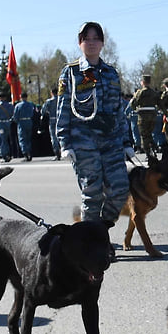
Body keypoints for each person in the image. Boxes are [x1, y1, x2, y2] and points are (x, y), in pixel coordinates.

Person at [54, 21, 133, 225]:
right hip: (84, 143)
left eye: (95, 38)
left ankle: (100, 231)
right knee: (92, 194)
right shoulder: (71, 73)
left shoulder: (111, 73)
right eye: (86, 39)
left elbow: (118, 111)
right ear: (79, 43)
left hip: (111, 142)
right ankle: (92, 243)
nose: (91, 43)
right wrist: (64, 143)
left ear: (102, 43)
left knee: (120, 190)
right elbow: (62, 108)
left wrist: (126, 142)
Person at [130, 74, 160, 156]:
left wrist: (135, 109)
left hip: (143, 116)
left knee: (144, 135)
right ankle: (154, 148)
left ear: (142, 82)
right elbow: (160, 103)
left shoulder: (140, 92)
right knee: (149, 133)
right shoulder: (154, 92)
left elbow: (133, 103)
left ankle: (148, 153)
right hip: (152, 116)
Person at [12, 90, 36, 161]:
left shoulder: (18, 105)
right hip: (29, 121)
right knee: (28, 139)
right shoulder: (30, 104)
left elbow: (15, 116)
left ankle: (25, 153)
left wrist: (16, 121)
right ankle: (29, 152)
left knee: (22, 139)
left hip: (21, 122)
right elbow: (32, 113)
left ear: (21, 97)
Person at [40, 86, 60, 159]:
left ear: (52, 93)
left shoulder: (49, 101)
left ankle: (57, 151)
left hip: (52, 119)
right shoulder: (61, 99)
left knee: (53, 136)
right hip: (61, 118)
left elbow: (43, 111)